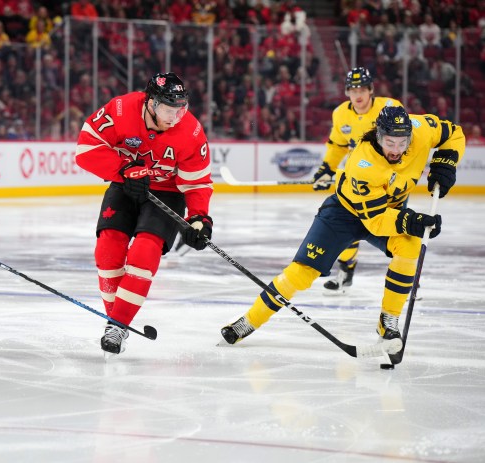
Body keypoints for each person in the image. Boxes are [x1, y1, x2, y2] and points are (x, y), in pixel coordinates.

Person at [220, 106, 464, 364]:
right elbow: (378, 222)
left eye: (402, 142)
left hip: (388, 210)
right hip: (344, 214)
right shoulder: (364, 162)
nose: (396, 149)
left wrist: (445, 162)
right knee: (301, 273)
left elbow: (455, 134)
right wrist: (413, 222)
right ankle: (248, 321)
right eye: (389, 142)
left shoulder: (422, 129)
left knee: (410, 247)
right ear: (378, 136)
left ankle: (388, 321)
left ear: (410, 137)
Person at [75, 72, 213, 356]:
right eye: (167, 109)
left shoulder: (191, 131)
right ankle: (118, 320)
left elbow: (197, 182)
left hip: (167, 192)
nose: (174, 117)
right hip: (125, 182)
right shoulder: (121, 110)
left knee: (144, 252)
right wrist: (123, 169)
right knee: (108, 249)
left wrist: (199, 217)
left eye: (180, 109)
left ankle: (116, 324)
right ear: (150, 103)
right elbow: (86, 149)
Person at [311, 67, 403, 294]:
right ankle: (346, 273)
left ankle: (408, 281)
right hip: (358, 184)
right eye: (353, 90)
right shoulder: (341, 113)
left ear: (371, 90)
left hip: (389, 182)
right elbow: (338, 145)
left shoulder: (390, 108)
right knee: (346, 227)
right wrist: (326, 169)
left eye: (362, 89)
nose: (358, 94)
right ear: (346, 92)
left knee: (397, 232)